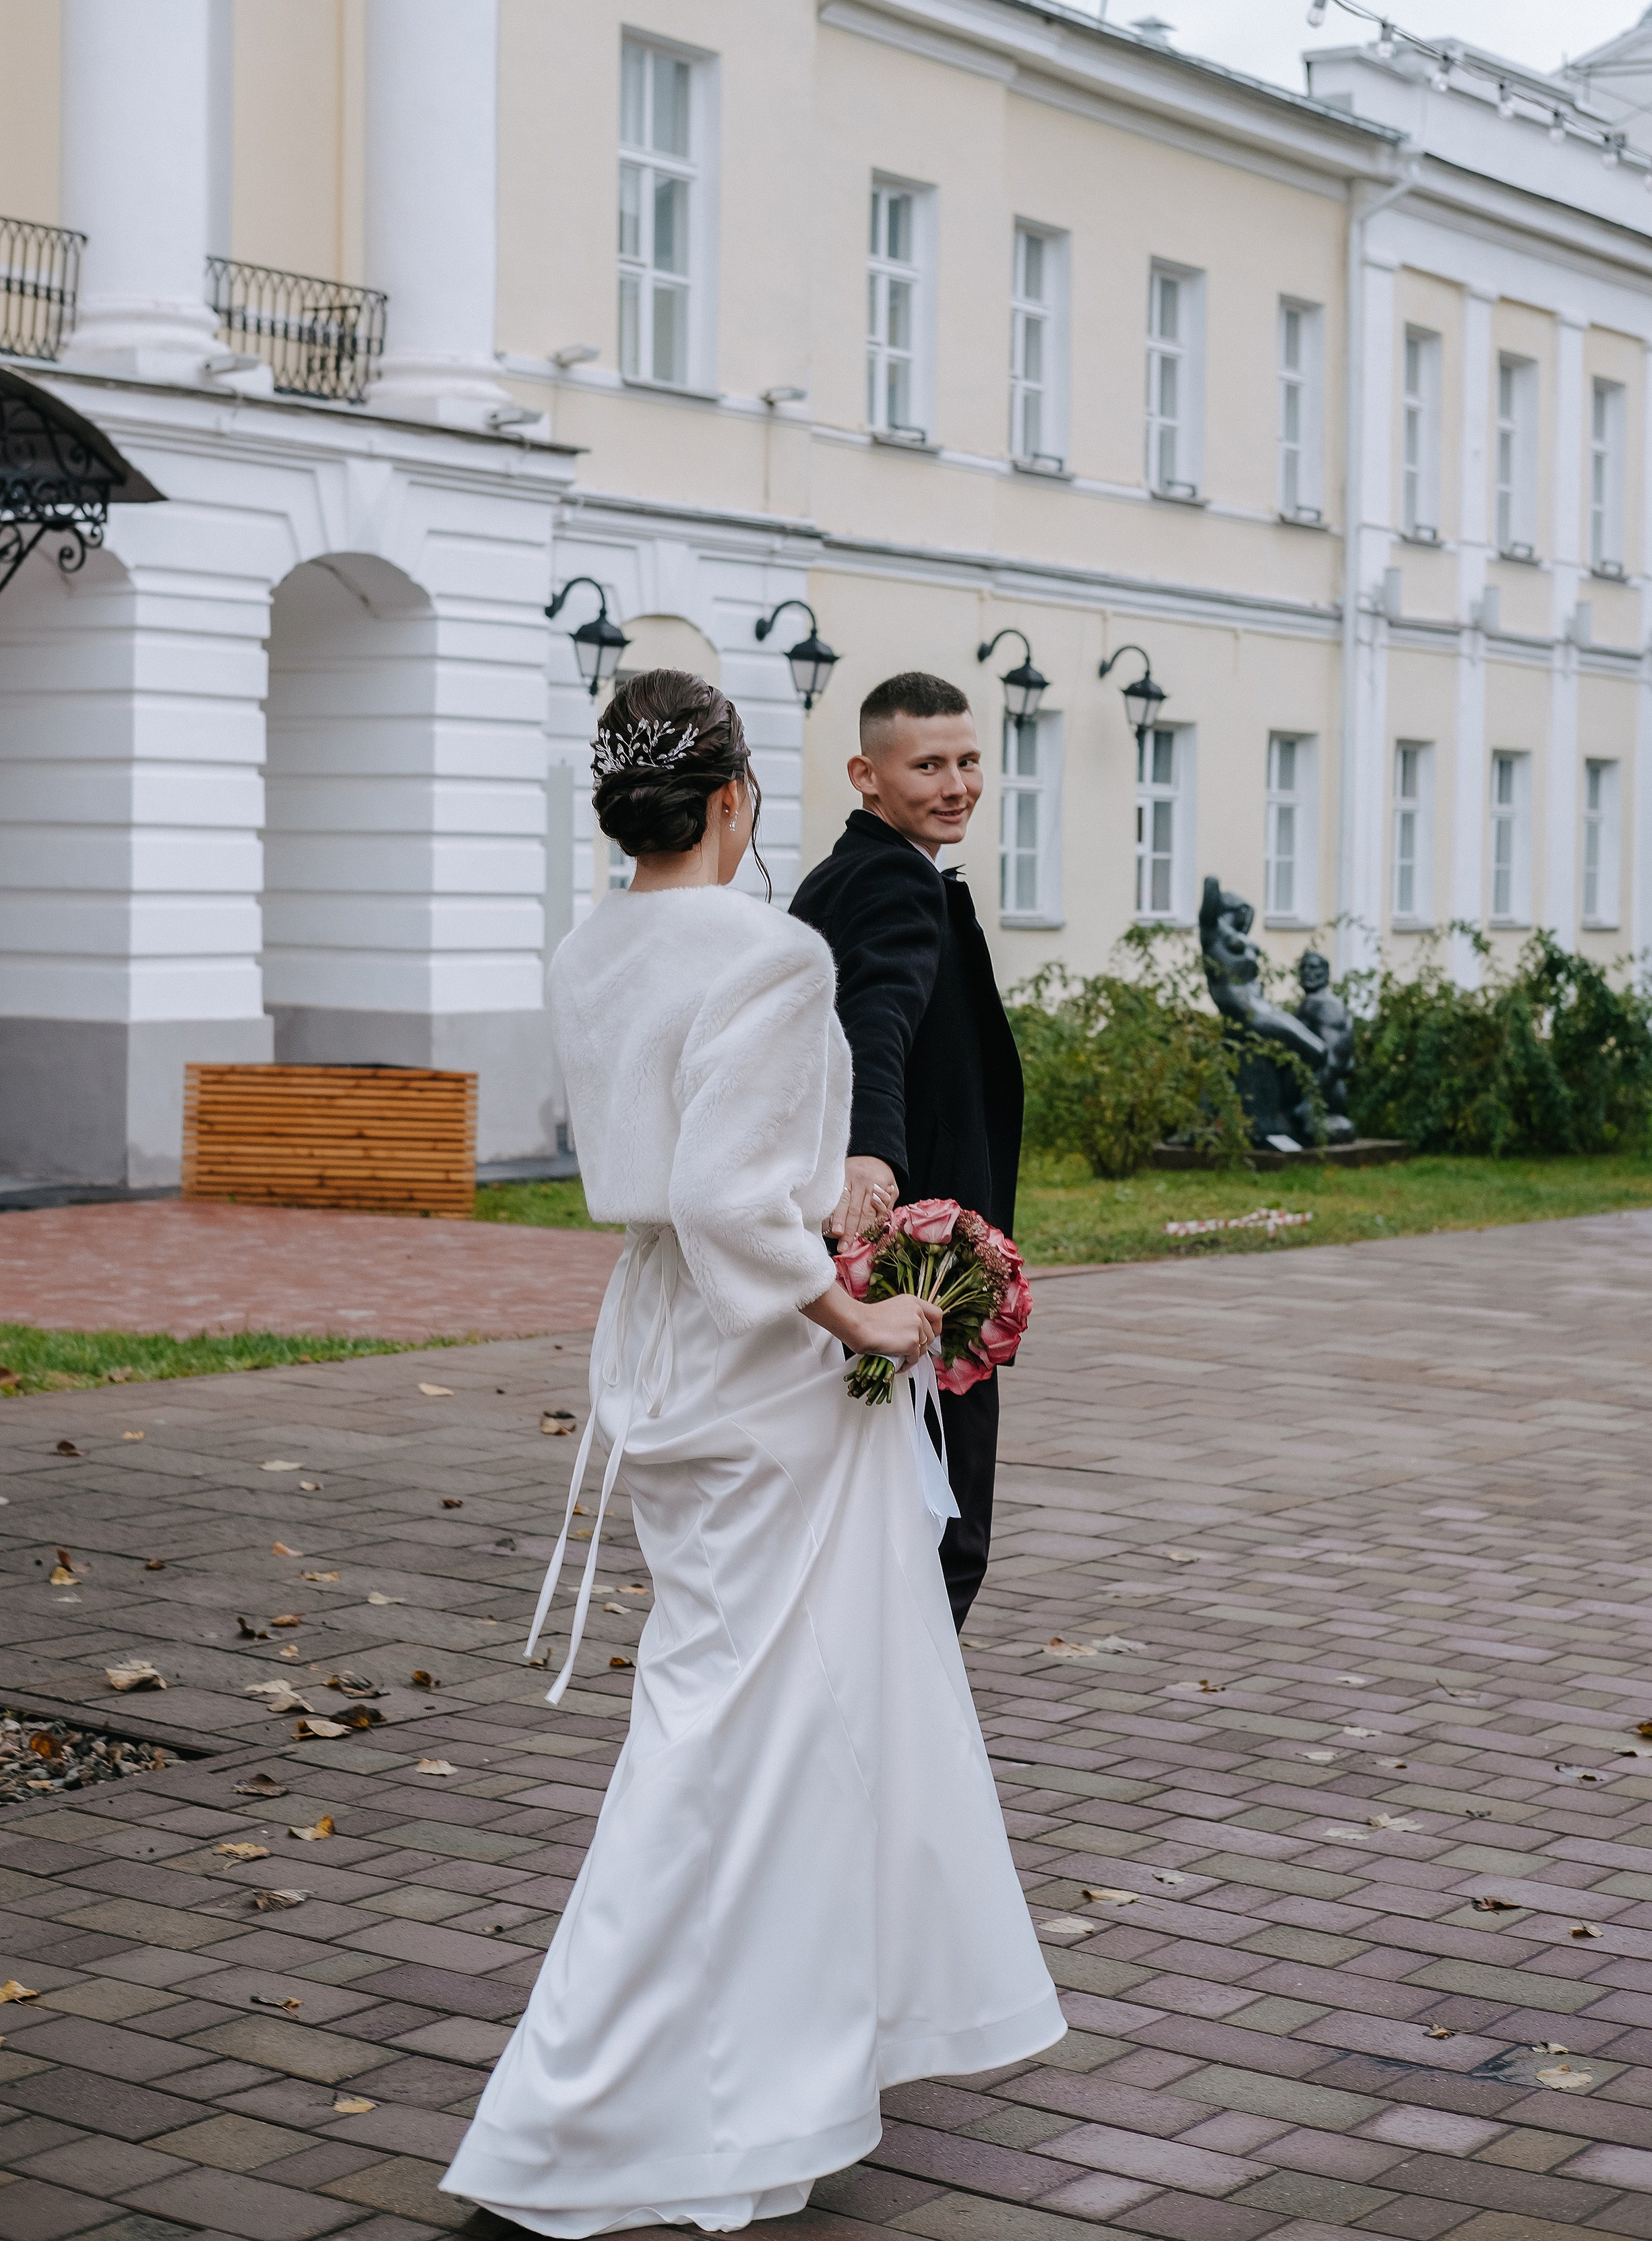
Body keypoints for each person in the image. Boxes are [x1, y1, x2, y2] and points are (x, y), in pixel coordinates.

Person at [442, 669, 1062, 2240]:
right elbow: (734, 1197)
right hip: (768, 1369)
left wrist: (832, 1202)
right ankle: (581, 2100)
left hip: (657, 1351)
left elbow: (681, 1183)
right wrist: (862, 1324)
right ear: (733, 801)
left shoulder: (588, 951)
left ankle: (766, 2071)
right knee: (738, 1730)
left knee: (766, 1719)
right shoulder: (773, 954)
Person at [790, 671, 1022, 1630]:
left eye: (969, 760)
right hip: (917, 1265)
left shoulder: (843, 874)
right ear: (866, 774)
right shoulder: (890, 879)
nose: (956, 783)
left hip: (881, 1259)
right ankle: (904, 1750)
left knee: (879, 1514)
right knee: (943, 1531)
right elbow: (872, 1018)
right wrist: (872, 1156)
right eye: (927, 764)